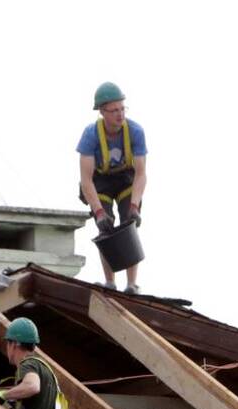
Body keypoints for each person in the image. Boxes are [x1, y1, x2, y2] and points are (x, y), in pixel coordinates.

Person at [77, 81, 147, 294]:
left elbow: (141, 173)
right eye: (114, 110)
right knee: (105, 227)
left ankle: (132, 284)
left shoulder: (135, 131)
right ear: (102, 112)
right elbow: (86, 179)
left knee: (129, 223)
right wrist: (98, 212)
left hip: (126, 180)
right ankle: (110, 282)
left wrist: (134, 206)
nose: (120, 114)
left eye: (122, 108)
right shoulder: (90, 135)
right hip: (100, 183)